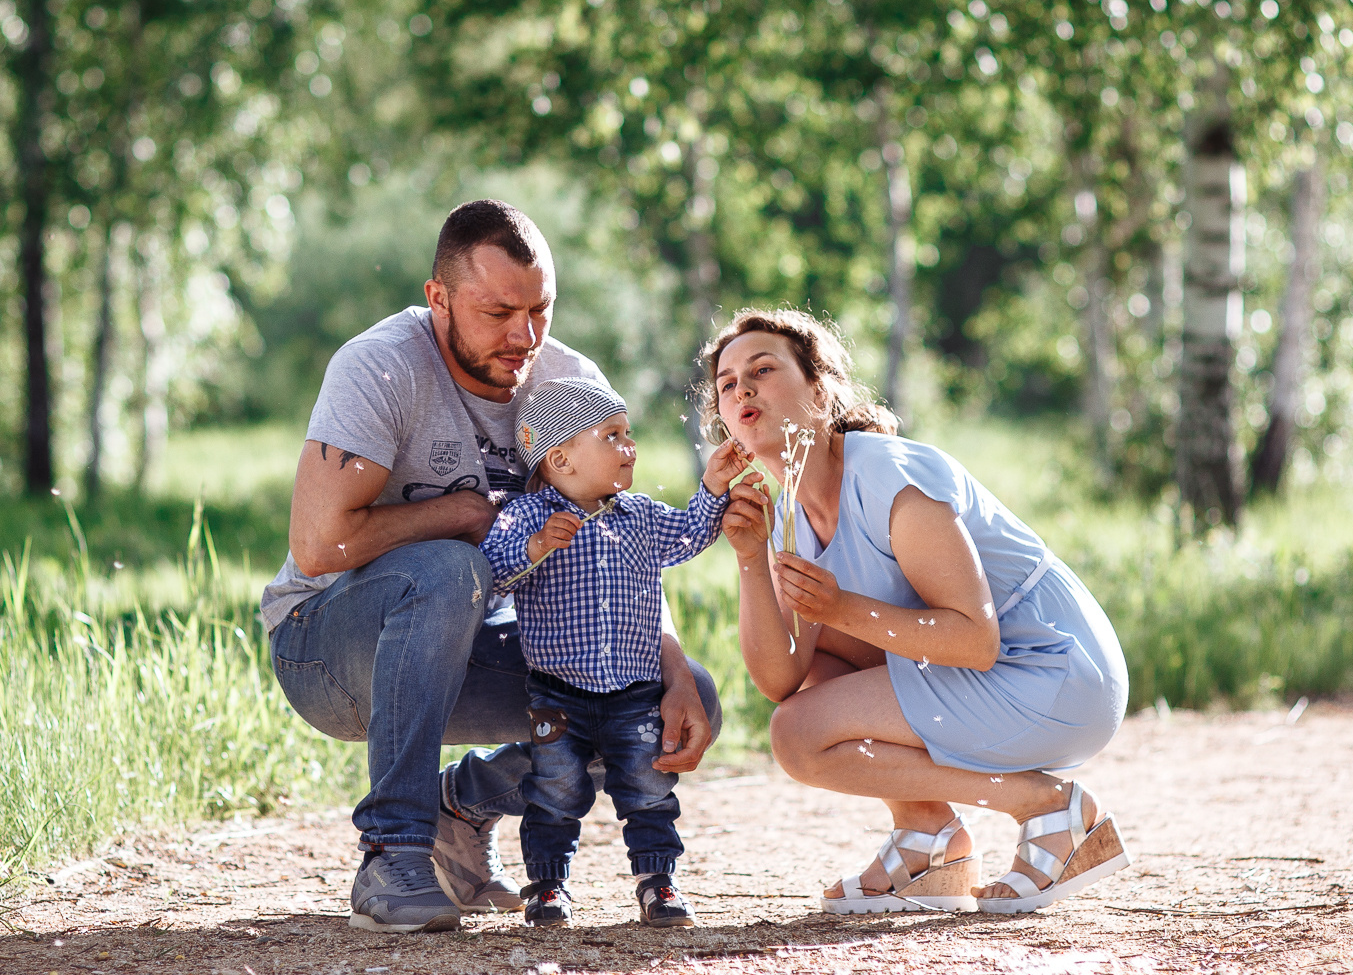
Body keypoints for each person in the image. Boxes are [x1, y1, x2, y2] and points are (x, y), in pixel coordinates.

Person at [259, 199, 721, 934]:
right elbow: (319, 546)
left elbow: (618, 546)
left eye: (540, 309)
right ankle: (392, 848)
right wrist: (464, 514)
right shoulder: (379, 367)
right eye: (498, 311)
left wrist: (666, 657)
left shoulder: (568, 384)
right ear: (437, 297)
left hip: (474, 648)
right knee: (448, 568)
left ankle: (462, 806)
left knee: (671, 694)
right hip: (327, 650)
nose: (524, 335)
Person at [705, 308, 1130, 915]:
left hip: (1055, 674)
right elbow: (782, 678)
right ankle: (928, 836)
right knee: (811, 693)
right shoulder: (788, 515)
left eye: (763, 369)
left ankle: (1045, 806)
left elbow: (974, 639)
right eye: (726, 383)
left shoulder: (888, 477)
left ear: (820, 392)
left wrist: (840, 607)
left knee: (800, 732)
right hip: (988, 683)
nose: (741, 387)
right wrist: (751, 556)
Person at [477, 378, 743, 929]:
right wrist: (536, 548)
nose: (631, 448)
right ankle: (547, 886)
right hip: (556, 693)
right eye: (613, 436)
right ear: (561, 457)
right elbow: (495, 573)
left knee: (648, 788)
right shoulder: (528, 518)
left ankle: (657, 881)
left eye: (629, 435)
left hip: (636, 690)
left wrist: (713, 488)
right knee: (553, 792)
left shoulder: (639, 516)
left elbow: (692, 534)